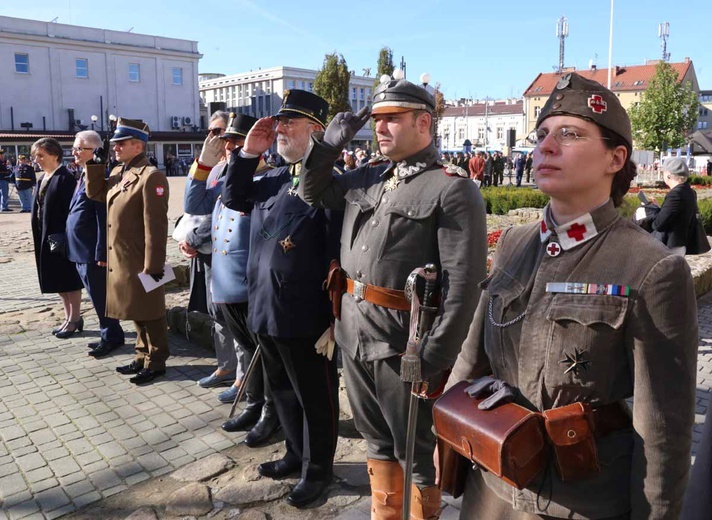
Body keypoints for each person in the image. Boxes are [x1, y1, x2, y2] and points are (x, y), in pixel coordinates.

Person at [445, 72, 697, 519]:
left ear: (616, 158)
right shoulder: (515, 242)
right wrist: (447, 434)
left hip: (580, 501)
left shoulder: (650, 267)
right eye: (542, 134)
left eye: (570, 134)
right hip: (492, 488)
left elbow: (662, 429)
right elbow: (471, 357)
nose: (545, 146)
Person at [300, 77, 486, 519]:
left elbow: (464, 286)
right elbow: (311, 191)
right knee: (376, 441)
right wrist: (326, 146)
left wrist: (434, 356)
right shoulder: (367, 177)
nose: (380, 129)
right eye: (377, 120)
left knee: (415, 452)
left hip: (403, 345)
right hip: (353, 331)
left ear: (424, 123)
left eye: (392, 120)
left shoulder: (452, 188)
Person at [222, 90, 342, 508]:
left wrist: (335, 318)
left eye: (292, 123)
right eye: (281, 122)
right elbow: (232, 198)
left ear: (317, 131)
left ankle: (318, 471)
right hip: (265, 308)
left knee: (315, 398)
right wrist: (249, 153)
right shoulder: (272, 176)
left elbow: (337, 253)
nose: (282, 129)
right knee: (283, 393)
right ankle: (294, 454)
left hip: (306, 315)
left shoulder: (330, 184)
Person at [184, 112, 280, 445]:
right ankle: (254, 405)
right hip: (224, 283)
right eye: (227, 141)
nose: (230, 147)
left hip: (248, 284)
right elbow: (193, 203)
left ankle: (269, 411)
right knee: (246, 348)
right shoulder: (223, 177)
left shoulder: (267, 179)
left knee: (262, 355)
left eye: (237, 141)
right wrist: (203, 165)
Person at [85, 118, 170, 385]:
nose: (115, 148)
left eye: (121, 144)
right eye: (114, 144)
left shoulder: (151, 176)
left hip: (141, 258)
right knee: (135, 310)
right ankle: (141, 355)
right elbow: (96, 193)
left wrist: (154, 265)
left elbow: (156, 225)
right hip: (122, 257)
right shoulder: (119, 173)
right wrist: (95, 165)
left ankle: (156, 362)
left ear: (138, 146)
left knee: (151, 312)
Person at [67, 130, 125, 357]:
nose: (74, 152)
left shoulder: (99, 177)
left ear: (95, 151)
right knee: (95, 296)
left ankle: (111, 337)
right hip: (80, 248)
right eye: (74, 147)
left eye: (79, 148)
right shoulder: (82, 174)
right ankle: (109, 333)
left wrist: (102, 251)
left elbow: (103, 218)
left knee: (101, 297)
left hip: (92, 250)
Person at [30, 138, 84, 337]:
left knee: (69, 280)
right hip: (46, 237)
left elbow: (72, 211)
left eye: (41, 155)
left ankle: (75, 318)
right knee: (58, 281)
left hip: (62, 239)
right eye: (35, 155)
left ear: (54, 155)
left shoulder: (65, 178)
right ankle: (68, 316)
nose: (37, 159)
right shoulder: (43, 177)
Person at [646, 158, 698, 255]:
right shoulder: (690, 192)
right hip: (680, 244)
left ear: (669, 176)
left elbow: (658, 225)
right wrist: (658, 207)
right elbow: (675, 215)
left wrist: (650, 212)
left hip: (670, 246)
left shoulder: (675, 195)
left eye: (663, 173)